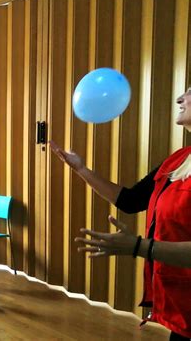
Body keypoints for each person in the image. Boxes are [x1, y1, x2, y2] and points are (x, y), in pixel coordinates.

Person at [50, 87, 191, 340]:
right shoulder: (178, 161)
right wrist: (81, 169)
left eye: (190, 93)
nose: (180, 98)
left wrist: (140, 246)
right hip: (182, 309)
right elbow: (130, 200)